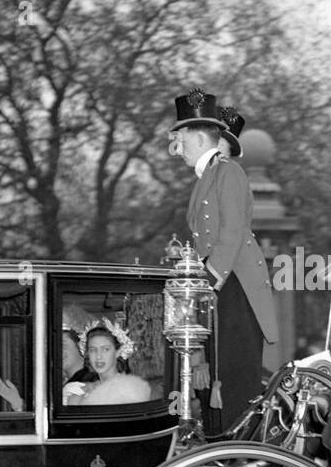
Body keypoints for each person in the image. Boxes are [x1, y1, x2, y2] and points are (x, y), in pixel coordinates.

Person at [168, 89, 279, 434]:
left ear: (200, 137)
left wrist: (206, 280)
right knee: (216, 376)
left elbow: (231, 233)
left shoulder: (227, 171)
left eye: (181, 137)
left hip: (233, 287)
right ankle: (220, 449)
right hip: (220, 287)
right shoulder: (210, 176)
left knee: (232, 378)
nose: (176, 145)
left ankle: (239, 454)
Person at [63, 322, 151, 406]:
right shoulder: (77, 390)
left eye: (105, 349)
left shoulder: (131, 389)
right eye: (93, 350)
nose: (98, 357)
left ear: (118, 352)